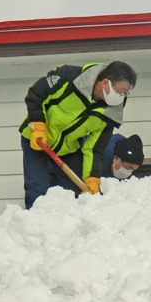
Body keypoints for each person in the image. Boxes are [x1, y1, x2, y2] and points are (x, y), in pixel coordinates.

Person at [19, 61, 137, 209]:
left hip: (68, 149)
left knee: (78, 193)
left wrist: (92, 178)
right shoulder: (69, 78)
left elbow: (94, 148)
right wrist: (38, 125)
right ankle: (34, 225)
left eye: (125, 93)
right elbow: (35, 95)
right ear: (106, 82)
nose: (122, 97)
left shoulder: (110, 113)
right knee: (38, 192)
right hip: (38, 139)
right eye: (120, 91)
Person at [47, 133, 145, 191]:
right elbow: (62, 154)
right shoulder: (94, 150)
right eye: (129, 168)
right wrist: (50, 172)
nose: (129, 173)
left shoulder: (119, 170)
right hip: (58, 179)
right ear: (116, 159)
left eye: (133, 170)